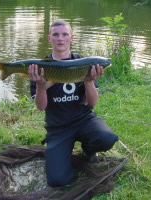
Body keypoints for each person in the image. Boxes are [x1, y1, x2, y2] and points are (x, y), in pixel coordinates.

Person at [26, 19, 120, 187]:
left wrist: (89, 81)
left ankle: (88, 150)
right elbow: (41, 107)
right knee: (57, 180)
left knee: (107, 138)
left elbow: (92, 103)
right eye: (56, 35)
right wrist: (41, 85)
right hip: (58, 128)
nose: (60, 38)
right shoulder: (40, 67)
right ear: (49, 38)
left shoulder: (84, 63)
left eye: (64, 34)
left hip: (84, 120)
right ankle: (61, 155)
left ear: (72, 37)